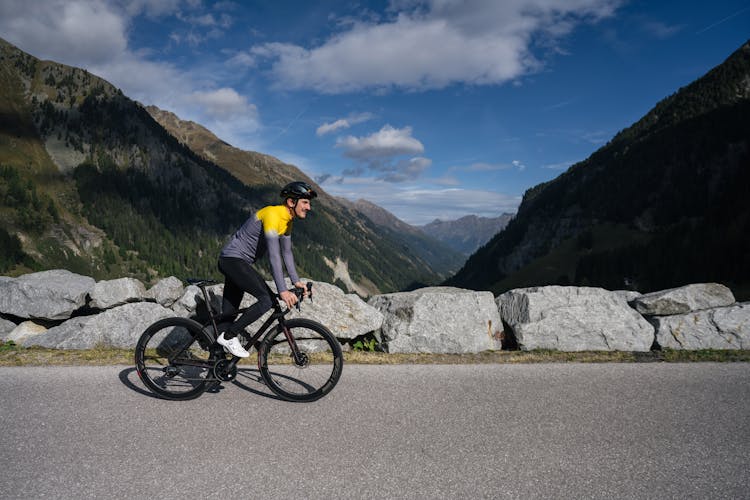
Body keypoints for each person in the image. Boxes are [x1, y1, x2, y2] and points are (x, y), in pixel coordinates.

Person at [216, 181, 317, 358]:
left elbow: (287, 253)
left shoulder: (288, 222)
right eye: (305, 202)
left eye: (309, 203)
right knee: (266, 300)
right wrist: (283, 290)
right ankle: (230, 336)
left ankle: (214, 365)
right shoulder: (272, 214)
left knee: (228, 316)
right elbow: (274, 255)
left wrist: (296, 281)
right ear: (291, 202)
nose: (309, 207)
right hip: (233, 260)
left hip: (238, 263)